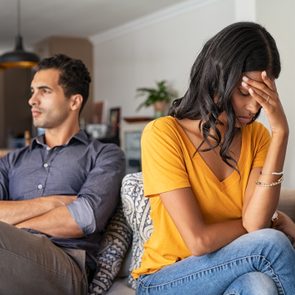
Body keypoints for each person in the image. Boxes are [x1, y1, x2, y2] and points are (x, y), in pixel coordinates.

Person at [133, 22, 295, 294]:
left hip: (228, 271)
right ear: (217, 79)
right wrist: (273, 221)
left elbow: (254, 224)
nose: (254, 107)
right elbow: (199, 241)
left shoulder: (257, 136)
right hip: (165, 279)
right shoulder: (163, 134)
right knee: (272, 244)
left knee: (260, 284)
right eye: (244, 93)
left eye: (262, 95)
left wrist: (280, 132)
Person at [0, 54, 125, 294]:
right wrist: (54, 202)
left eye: (44, 91)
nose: (31, 100)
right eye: (32, 90)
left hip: (66, 263)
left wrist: (11, 226)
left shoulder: (105, 155)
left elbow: (83, 217)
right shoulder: (12, 161)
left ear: (74, 102)